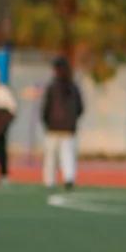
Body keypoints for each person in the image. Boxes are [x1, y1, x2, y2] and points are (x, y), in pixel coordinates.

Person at [41, 56, 84, 190]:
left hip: (53, 127)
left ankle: (49, 181)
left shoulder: (52, 87)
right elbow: (80, 108)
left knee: (51, 156)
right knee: (68, 155)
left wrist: (46, 122)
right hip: (68, 128)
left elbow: (46, 108)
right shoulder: (74, 87)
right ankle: (68, 178)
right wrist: (72, 121)